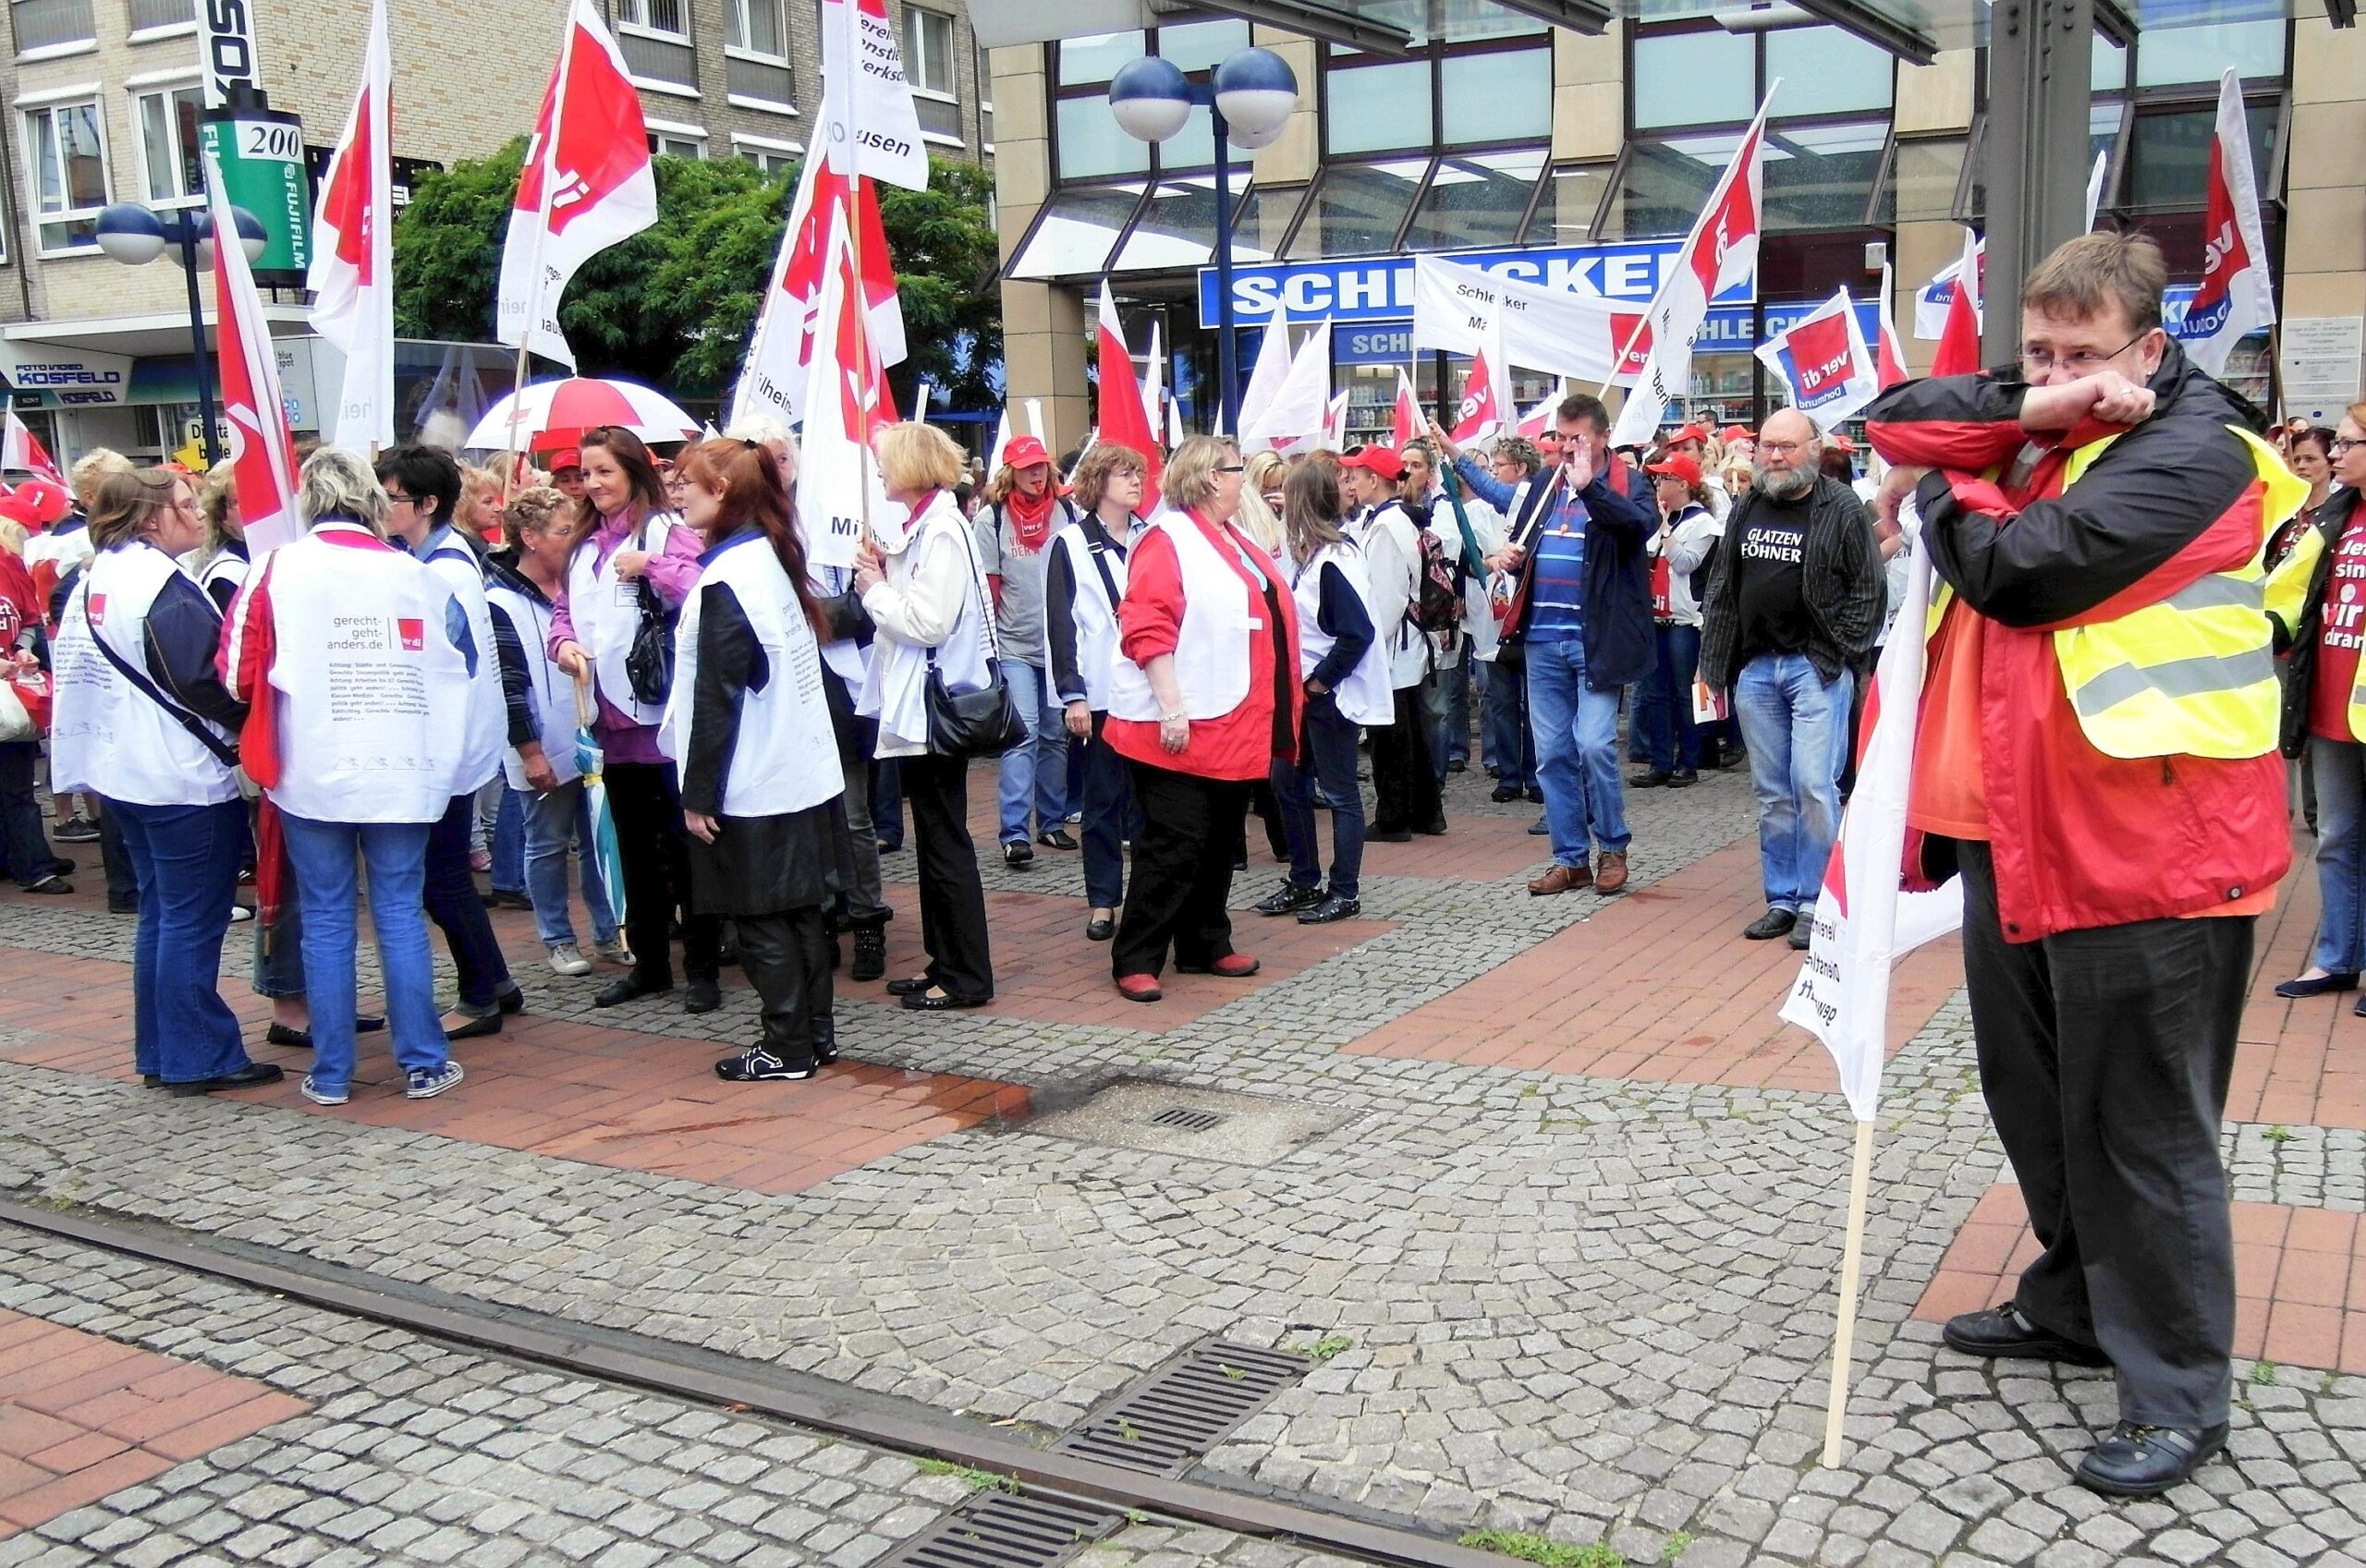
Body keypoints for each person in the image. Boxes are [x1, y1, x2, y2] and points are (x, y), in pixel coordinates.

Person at [1865, 229, 2303, 1496]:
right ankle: (2070, 1300)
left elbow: (2023, 571)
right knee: (2040, 1102)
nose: (2055, 375)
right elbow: (1893, 416)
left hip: (2152, 850)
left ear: (2152, 351)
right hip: (2022, 834)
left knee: (2143, 1127)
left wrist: (1952, 486)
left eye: (2082, 354)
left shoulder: (2199, 453)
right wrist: (2029, 408)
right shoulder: (2059, 429)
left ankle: (2177, 1390)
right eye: (2036, 353)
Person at [221, 449, 476, 1106]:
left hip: (312, 764)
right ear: (369, 499)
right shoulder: (414, 574)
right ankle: (422, 1060)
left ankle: (332, 1070)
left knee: (328, 918)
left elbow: (232, 669)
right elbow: (462, 659)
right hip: (400, 764)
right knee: (397, 911)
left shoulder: (277, 568)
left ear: (309, 499)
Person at [46, 468, 275, 1093]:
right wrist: (249, 712)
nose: (197, 514)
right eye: (184, 505)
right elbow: (203, 677)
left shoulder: (101, 574)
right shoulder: (159, 584)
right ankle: (198, 1053)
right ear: (151, 518)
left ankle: (164, 1046)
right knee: (189, 919)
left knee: (163, 916)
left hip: (127, 772)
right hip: (178, 776)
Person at [661, 441, 846, 1082]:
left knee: (764, 917)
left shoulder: (726, 579)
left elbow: (715, 698)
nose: (677, 492)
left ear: (725, 493)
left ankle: (788, 1046)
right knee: (798, 914)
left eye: (689, 483)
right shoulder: (767, 557)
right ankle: (812, 1037)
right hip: (795, 768)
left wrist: (698, 792)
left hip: (756, 778)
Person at [1103, 435, 1299, 1002]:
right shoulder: (1167, 540)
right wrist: (1171, 707)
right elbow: (1146, 627)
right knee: (1174, 843)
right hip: (1181, 718)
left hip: (1232, 716)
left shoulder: (1229, 536)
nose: (1246, 480)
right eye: (1239, 470)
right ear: (1214, 476)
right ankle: (1136, 955)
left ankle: (1205, 940)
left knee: (1218, 840)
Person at [550, 427, 722, 1014]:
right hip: (607, 718)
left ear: (632, 473)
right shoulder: (581, 544)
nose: (594, 483)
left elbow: (703, 590)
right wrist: (564, 644)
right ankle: (649, 964)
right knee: (632, 851)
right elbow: (562, 611)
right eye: (586, 472)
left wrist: (651, 566)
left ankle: (703, 966)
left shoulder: (665, 531)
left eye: (605, 472)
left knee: (684, 849)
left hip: (662, 717)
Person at [1698, 409, 1884, 949]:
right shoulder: (1748, 504)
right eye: (1767, 446)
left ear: (1813, 449)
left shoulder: (1842, 507)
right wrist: (1713, 662)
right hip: (1756, 669)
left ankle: (1819, 902)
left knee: (1814, 786)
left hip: (1815, 669)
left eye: (1786, 447)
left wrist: (1839, 653)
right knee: (1773, 792)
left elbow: (1869, 591)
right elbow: (1723, 588)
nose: (1774, 456)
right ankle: (1782, 898)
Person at [1482, 393, 1656, 896]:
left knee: (1595, 743)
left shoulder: (1627, 482)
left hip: (1596, 640)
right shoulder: (1544, 482)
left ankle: (1613, 847)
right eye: (1561, 437)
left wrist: (1591, 491)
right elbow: (1528, 536)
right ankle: (1570, 857)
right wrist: (1508, 556)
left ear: (1603, 437)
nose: (1567, 447)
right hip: (1542, 638)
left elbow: (1638, 526)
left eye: (1578, 437)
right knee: (1553, 754)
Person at [377, 444, 525, 1039]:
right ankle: (494, 980)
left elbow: (444, 667)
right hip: (460, 743)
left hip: (451, 746)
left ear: (427, 503)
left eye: (391, 498)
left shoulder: (440, 569)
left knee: (442, 877)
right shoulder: (441, 557)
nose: (382, 507)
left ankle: (478, 994)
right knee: (445, 875)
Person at [855, 421, 996, 1011]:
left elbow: (929, 622)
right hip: (926, 710)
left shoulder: (942, 529)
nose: (880, 470)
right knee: (936, 842)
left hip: (936, 712)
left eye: (886, 461)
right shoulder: (931, 527)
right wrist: (887, 572)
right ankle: (946, 964)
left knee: (944, 845)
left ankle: (964, 975)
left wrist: (873, 590)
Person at [484, 486, 627, 977]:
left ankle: (609, 933)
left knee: (598, 839)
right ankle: (558, 937)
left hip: (590, 734)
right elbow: (509, 685)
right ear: (529, 537)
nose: (574, 541)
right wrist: (530, 750)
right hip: (542, 742)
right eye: (564, 532)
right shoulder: (500, 601)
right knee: (545, 844)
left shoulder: (578, 587)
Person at [2266, 404, 2366, 999]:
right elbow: (2289, 591)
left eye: (2350, 443)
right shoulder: (2336, 515)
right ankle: (2336, 958)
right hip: (2332, 708)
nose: (2334, 453)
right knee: (2336, 837)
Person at [1259, 452, 1381, 924]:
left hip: (1326, 698)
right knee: (1286, 782)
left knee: (1339, 793)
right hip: (1305, 694)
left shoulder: (1333, 560)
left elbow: (1358, 632)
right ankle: (1305, 879)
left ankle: (1344, 889)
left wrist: (1320, 682)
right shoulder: (1311, 555)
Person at [1046, 444, 1146, 941]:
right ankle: (1104, 899)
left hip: (1149, 693)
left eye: (1138, 474)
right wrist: (1074, 695)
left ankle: (1147, 900)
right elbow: (1062, 627)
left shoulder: (1152, 537)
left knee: (1147, 803)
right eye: (1125, 474)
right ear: (1098, 482)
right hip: (1103, 694)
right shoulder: (1069, 543)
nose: (1136, 482)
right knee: (1102, 803)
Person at [976, 436, 1076, 868]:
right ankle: (1014, 832)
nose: (1036, 475)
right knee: (1025, 734)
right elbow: (989, 589)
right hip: (1014, 644)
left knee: (1056, 735)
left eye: (1041, 466)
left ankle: (1051, 821)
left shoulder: (1066, 512)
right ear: (1010, 473)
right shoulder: (992, 519)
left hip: (1058, 647)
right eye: (1027, 468)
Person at [1437, 429, 1547, 805]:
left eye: (1499, 466)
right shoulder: (1475, 512)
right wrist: (1486, 561)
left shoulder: (1539, 506)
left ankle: (1536, 775)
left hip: (1529, 616)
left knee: (1535, 703)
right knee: (1499, 699)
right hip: (1491, 619)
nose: (1494, 474)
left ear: (1519, 468)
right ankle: (1508, 773)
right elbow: (1460, 557)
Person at [1339, 445, 1439, 842]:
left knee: (1391, 737)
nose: (1351, 482)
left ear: (1374, 480)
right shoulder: (1389, 520)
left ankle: (1394, 816)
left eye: (1356, 475)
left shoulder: (1386, 526)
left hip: (1393, 646)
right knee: (1410, 732)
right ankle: (1425, 811)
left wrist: (1369, 648)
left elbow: (1386, 597)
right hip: (1404, 645)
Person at [1629, 454, 1723, 790]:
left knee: (1685, 694)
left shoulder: (1703, 524)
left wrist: (1667, 530)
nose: (1657, 484)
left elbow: (1685, 563)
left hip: (1684, 621)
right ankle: (1660, 762)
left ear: (1682, 484)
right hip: (1656, 617)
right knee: (1655, 694)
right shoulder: (1660, 520)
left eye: (1664, 478)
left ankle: (1689, 761)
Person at [0, 529, 65, 897]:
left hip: (10, 691)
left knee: (17, 783)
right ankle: (31, 864)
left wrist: (21, 650)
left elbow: (26, 619)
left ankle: (29, 862)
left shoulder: (6, 560)